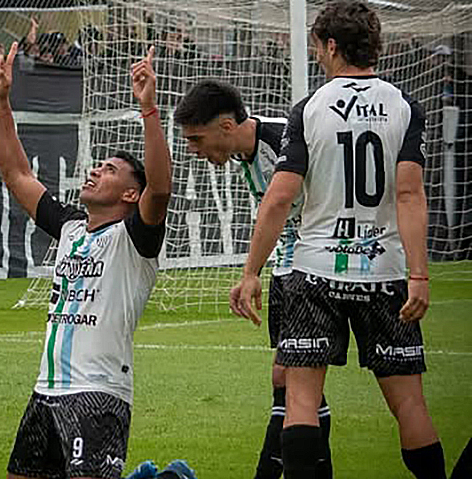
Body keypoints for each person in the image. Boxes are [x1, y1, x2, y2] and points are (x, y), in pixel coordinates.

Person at [232, 2, 445, 478]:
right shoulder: (405, 106)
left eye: (317, 47)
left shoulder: (309, 109)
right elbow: (410, 194)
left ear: (331, 45)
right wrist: (419, 275)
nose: (317, 56)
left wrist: (250, 272)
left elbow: (280, 197)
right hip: (385, 271)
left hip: (316, 272)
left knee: (301, 400)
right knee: (409, 404)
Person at [0, 44, 172, 479]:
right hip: (45, 391)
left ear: (131, 194)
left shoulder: (133, 239)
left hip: (98, 393)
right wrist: (0, 103)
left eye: (108, 170)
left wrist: (148, 109)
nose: (94, 171)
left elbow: (160, 189)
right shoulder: (70, 227)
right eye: (98, 166)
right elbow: (17, 175)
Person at [173, 80, 332, 479]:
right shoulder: (246, 154)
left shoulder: (283, 140)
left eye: (196, 139)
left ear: (226, 126)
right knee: (295, 385)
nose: (193, 150)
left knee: (290, 379)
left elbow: (288, 204)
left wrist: (250, 273)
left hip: (314, 269)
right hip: (288, 268)